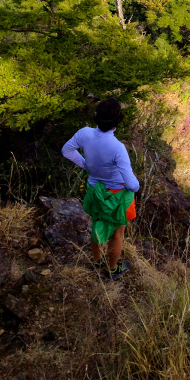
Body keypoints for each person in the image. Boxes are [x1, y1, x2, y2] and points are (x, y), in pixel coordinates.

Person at [62, 97, 139, 279]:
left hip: (94, 190)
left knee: (96, 225)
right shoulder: (118, 148)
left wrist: (86, 165)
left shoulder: (84, 133)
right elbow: (132, 185)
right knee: (117, 234)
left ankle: (96, 262)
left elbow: (67, 151)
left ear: (96, 116)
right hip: (116, 196)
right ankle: (112, 270)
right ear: (119, 120)